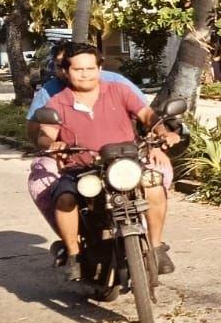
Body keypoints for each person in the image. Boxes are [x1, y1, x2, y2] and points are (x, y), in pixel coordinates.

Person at [34, 44, 180, 282]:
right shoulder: (57, 102)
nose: (85, 74)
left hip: (125, 164)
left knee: (154, 185)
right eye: (78, 69)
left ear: (100, 68)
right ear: (66, 71)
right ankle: (74, 256)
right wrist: (52, 143)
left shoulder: (119, 91)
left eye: (91, 68)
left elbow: (148, 116)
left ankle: (155, 248)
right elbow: (45, 134)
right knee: (65, 198)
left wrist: (162, 132)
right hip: (82, 168)